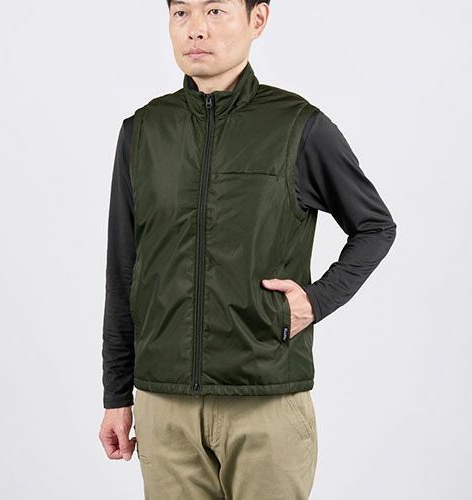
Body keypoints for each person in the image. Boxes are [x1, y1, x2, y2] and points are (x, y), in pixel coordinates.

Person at [98, 1, 397, 498]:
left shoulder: (297, 126)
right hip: (164, 407)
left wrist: (316, 300)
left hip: (266, 401)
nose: (195, 29)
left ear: (257, 20)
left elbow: (374, 227)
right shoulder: (143, 131)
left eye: (215, 10)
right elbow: (124, 269)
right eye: (181, 13)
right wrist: (116, 393)